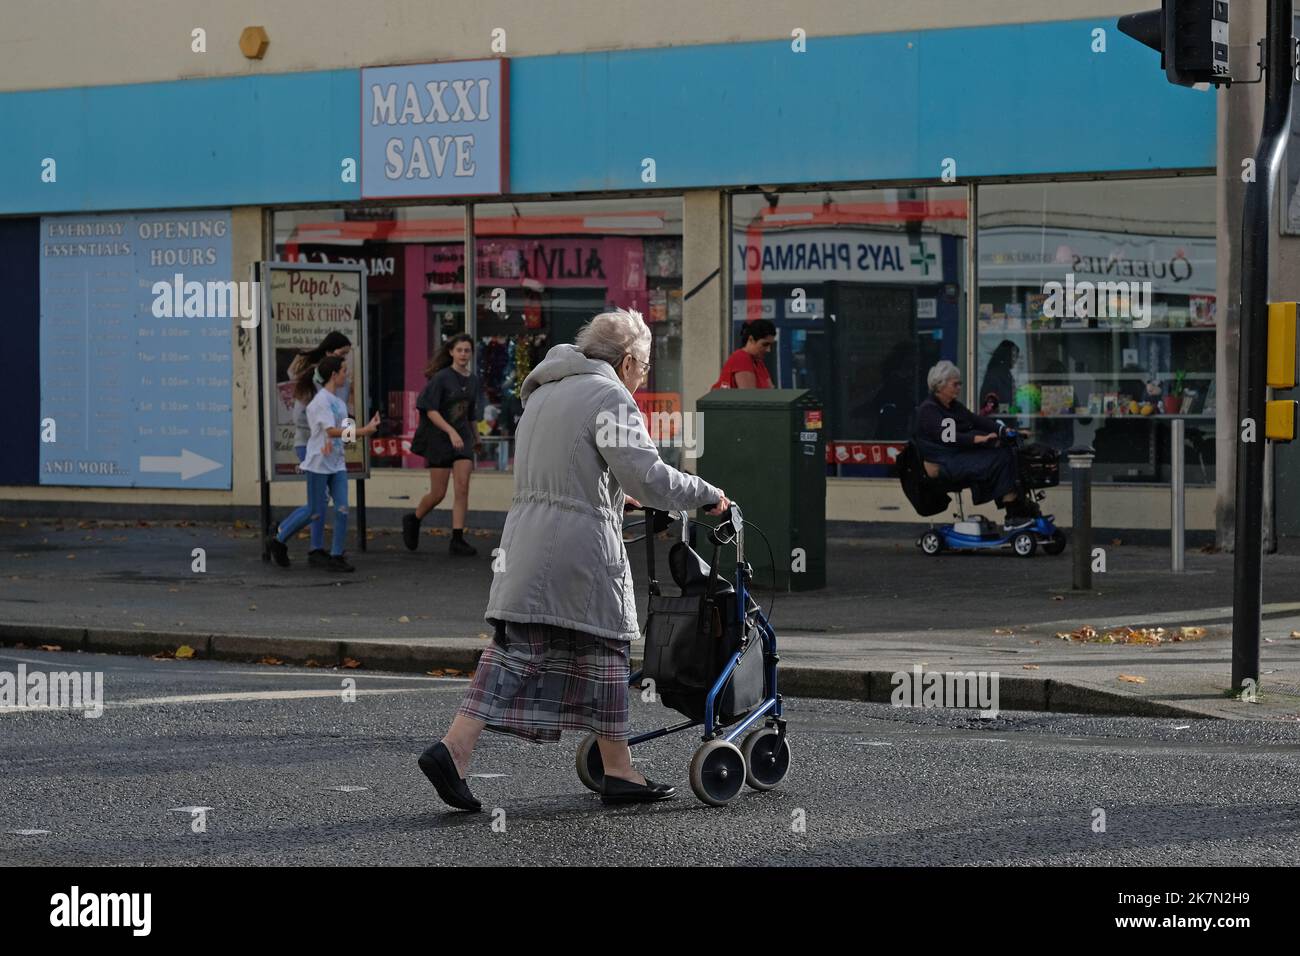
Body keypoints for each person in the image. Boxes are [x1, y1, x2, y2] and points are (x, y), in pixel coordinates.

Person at [417, 308, 730, 811]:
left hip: (528, 540)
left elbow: (570, 469)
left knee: (518, 649)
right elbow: (647, 475)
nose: (642, 380)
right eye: (644, 369)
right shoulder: (609, 396)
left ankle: (455, 750)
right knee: (606, 651)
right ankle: (618, 771)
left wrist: (610, 493)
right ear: (627, 362)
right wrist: (706, 493)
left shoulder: (544, 392)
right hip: (579, 550)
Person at [267, 354, 379, 572]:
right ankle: (279, 539)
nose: (347, 375)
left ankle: (337, 555)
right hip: (318, 462)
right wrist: (363, 431)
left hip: (336, 463)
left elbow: (343, 433)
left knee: (343, 508)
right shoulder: (319, 402)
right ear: (333, 375)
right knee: (314, 511)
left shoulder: (338, 401)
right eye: (344, 371)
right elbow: (330, 430)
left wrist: (363, 430)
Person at [913, 360, 1036, 531]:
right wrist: (976, 439)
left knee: (1008, 451)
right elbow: (948, 437)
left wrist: (1004, 430)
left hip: (955, 457)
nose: (959, 387)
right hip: (943, 463)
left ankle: (1019, 504)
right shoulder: (929, 410)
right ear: (940, 385)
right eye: (955, 384)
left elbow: (977, 420)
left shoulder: (953, 407)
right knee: (1000, 459)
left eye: (960, 383)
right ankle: (1013, 515)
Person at [401, 334, 480, 557]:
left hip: (462, 438)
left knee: (462, 486)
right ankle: (414, 518)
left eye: (467, 350)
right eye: (460, 350)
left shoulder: (473, 380)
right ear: (451, 353)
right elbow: (429, 409)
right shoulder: (442, 378)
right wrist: (450, 430)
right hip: (440, 439)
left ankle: (457, 537)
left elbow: (471, 413)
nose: (464, 354)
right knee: (438, 492)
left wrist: (476, 438)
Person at [286, 332, 352, 566]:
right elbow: (303, 417)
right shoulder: (315, 384)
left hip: (334, 451)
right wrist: (327, 430)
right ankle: (299, 542)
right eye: (341, 355)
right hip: (311, 445)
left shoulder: (341, 384)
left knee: (335, 505)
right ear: (328, 354)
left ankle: (327, 551)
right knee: (318, 503)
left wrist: (347, 437)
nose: (345, 361)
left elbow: (345, 413)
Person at [712, 319, 776, 389]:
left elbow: (771, 391)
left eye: (770, 345)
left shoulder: (758, 363)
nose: (768, 350)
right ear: (751, 339)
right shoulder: (741, 358)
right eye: (765, 344)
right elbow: (749, 396)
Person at [978, 339, 1019, 414]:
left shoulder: (1006, 374)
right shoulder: (995, 375)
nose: (1016, 360)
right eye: (1014, 356)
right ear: (1007, 356)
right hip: (997, 421)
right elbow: (989, 406)